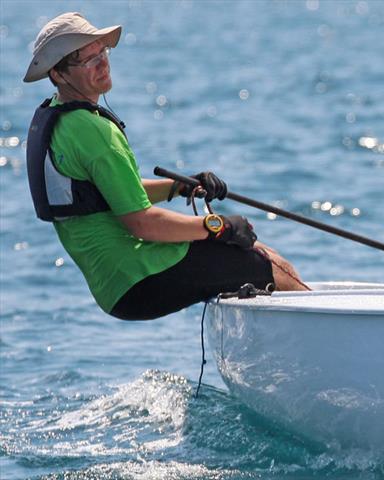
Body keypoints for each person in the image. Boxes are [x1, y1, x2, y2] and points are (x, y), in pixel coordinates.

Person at [24, 12, 308, 320]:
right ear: (58, 74)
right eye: (87, 60)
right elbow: (142, 223)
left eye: (102, 52)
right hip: (140, 277)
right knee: (272, 266)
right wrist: (216, 226)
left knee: (259, 258)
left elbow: (111, 193)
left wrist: (180, 186)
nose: (102, 62)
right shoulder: (95, 132)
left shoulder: (60, 119)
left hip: (114, 286)